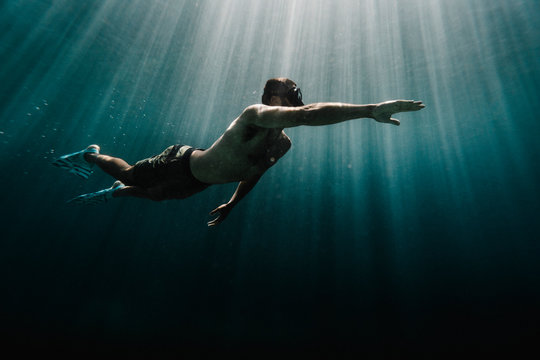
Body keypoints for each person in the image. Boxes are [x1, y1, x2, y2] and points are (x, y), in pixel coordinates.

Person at [53, 78, 425, 226]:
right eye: (277, 99)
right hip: (181, 159)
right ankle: (91, 154)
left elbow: (253, 174)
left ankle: (113, 193)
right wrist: (368, 109)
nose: (282, 104)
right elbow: (310, 114)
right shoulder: (254, 116)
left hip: (199, 182)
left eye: (287, 98)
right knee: (130, 174)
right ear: (270, 102)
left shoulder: (284, 143)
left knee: (155, 197)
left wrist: (232, 203)